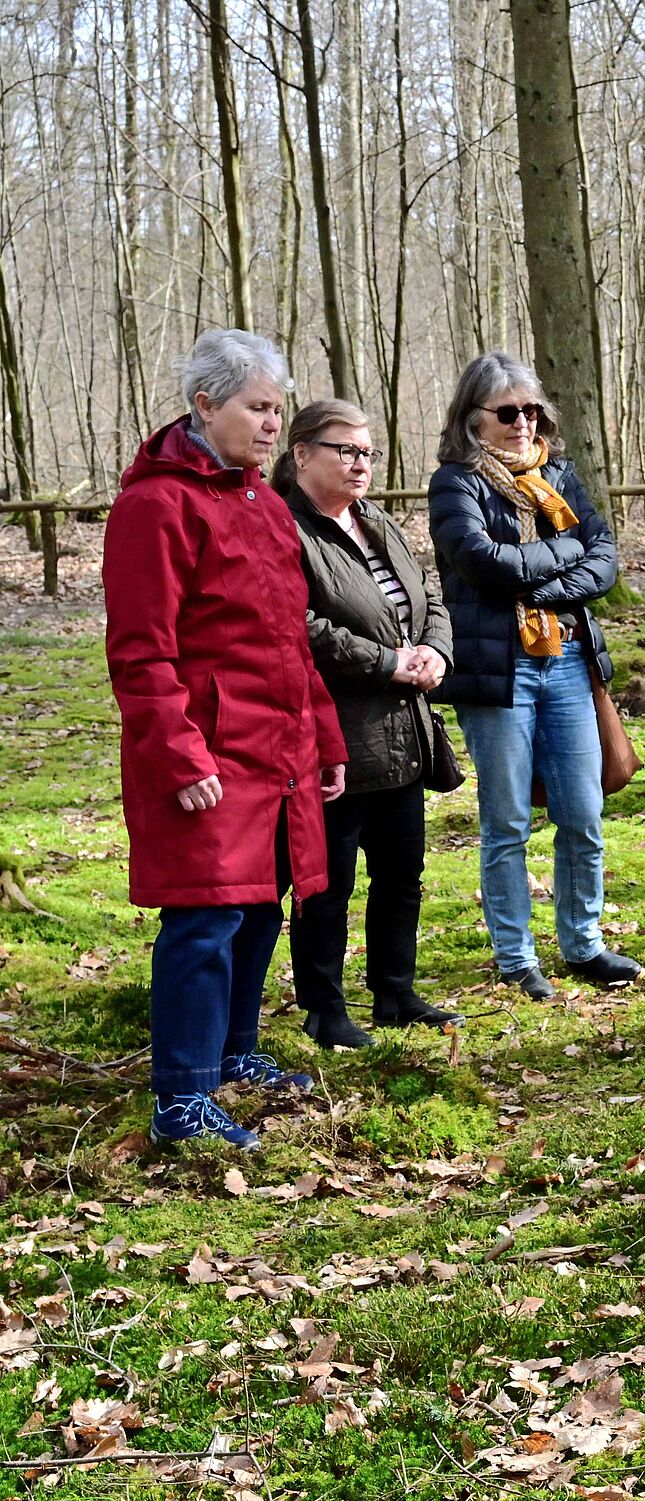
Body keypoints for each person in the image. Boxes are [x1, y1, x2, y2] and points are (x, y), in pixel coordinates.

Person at [104, 330, 346, 1149]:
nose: (274, 424)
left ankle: (235, 1057)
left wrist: (327, 743)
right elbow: (142, 652)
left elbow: (288, 640)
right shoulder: (154, 506)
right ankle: (181, 1096)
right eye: (257, 408)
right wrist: (179, 756)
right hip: (204, 753)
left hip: (276, 749)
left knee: (259, 910)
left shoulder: (264, 503)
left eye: (280, 409)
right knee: (204, 920)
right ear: (205, 405)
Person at [429, 353, 641, 999]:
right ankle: (517, 956)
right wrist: (565, 550)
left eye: (531, 410)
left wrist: (545, 582)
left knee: (582, 814)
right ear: (473, 420)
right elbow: (480, 561)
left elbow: (604, 560)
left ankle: (583, 944)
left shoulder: (560, 476)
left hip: (569, 663)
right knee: (508, 821)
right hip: (499, 672)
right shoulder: (455, 483)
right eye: (507, 412)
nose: (523, 423)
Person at [279, 400, 463, 1046]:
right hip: (336, 730)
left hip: (405, 727)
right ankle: (324, 1007)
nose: (360, 464)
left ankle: (395, 992)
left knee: (401, 871)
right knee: (326, 882)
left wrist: (434, 651)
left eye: (367, 453)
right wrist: (386, 661)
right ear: (302, 453)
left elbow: (428, 597)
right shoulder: (288, 528)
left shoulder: (374, 520)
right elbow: (300, 626)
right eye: (345, 451)